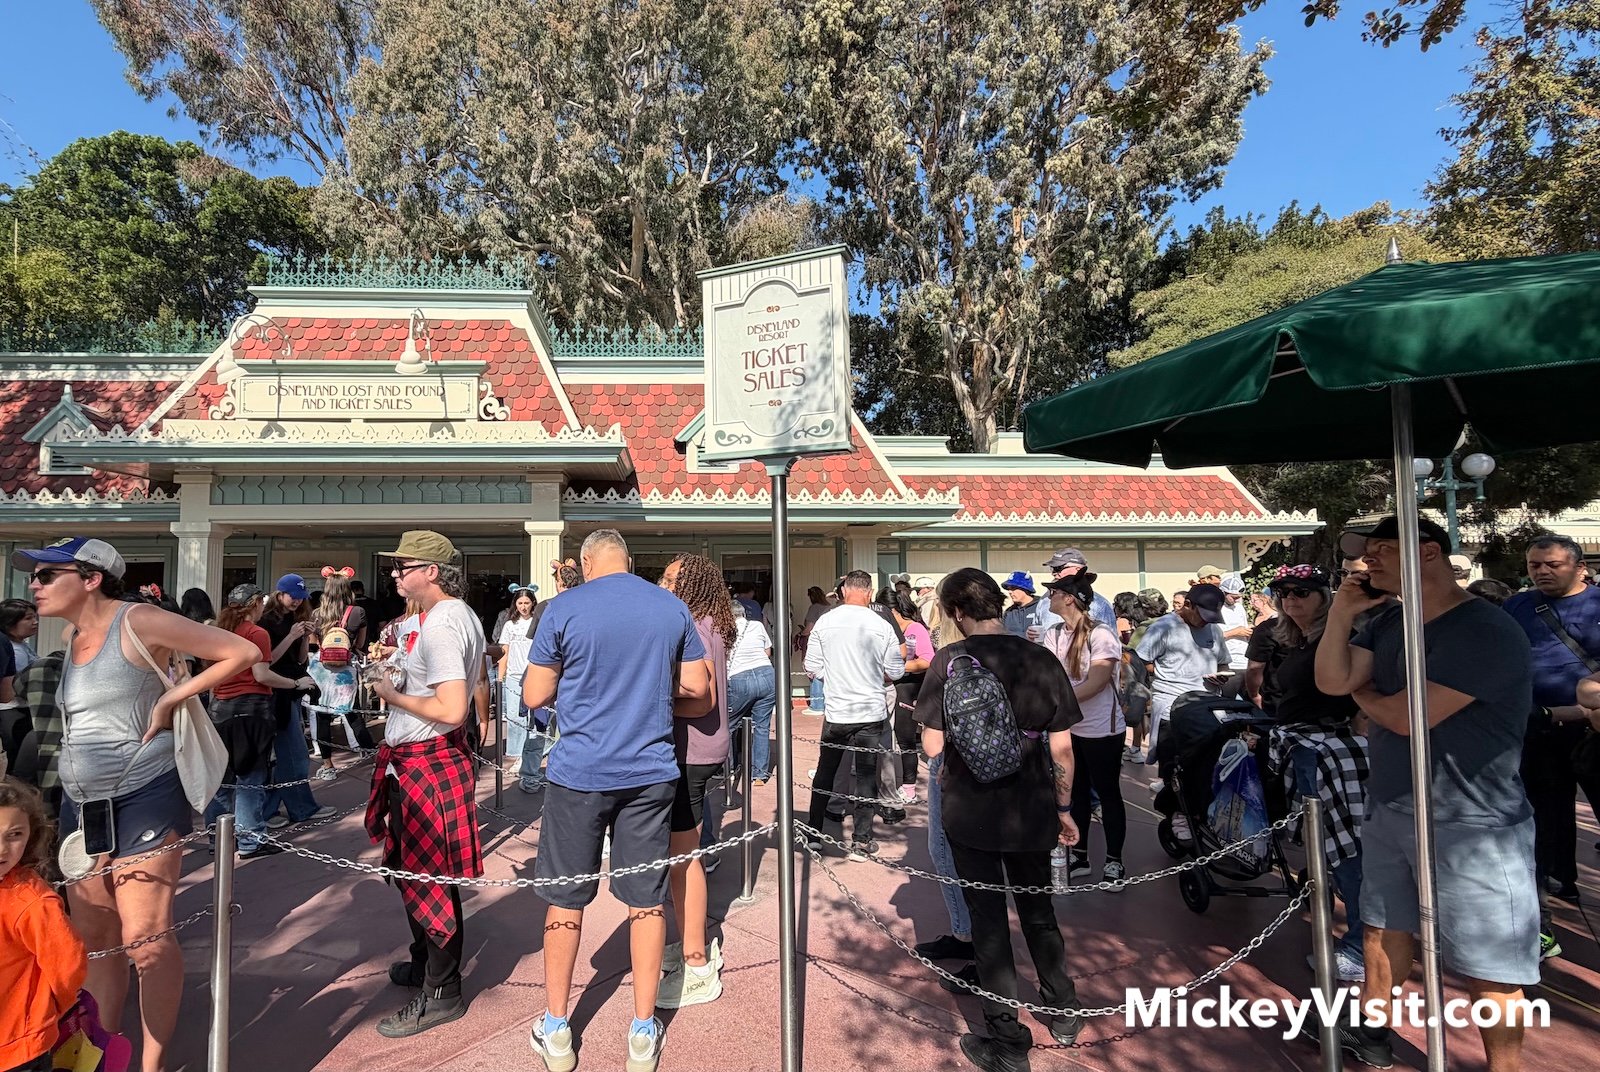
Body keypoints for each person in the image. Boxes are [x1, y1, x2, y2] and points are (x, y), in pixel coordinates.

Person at [13, 537, 256, 1072]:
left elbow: (242, 652)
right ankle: (105, 1057)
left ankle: (152, 1063)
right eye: (35, 575)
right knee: (97, 940)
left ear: (91, 578)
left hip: (145, 791)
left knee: (145, 939)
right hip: (83, 802)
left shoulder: (139, 620)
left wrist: (173, 696)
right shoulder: (73, 635)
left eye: (48, 575)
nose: (35, 585)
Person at [1316, 516, 1539, 1071]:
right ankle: (1373, 1030)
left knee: (1491, 965)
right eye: (1367, 552)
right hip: (1393, 804)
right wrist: (1341, 614)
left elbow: (1405, 716)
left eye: (1383, 549)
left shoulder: (1483, 630)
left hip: (1471, 819)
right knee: (1381, 929)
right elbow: (1331, 680)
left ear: (1429, 553)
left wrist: (1363, 694)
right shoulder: (1388, 622)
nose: (1369, 561)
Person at [521, 529, 712, 1072]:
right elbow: (698, 691)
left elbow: (535, 694)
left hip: (579, 772)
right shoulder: (670, 607)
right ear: (628, 561)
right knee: (645, 899)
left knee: (565, 898)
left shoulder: (563, 608)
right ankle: (642, 1029)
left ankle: (557, 1027)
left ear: (585, 563)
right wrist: (648, 693)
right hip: (651, 771)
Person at [914, 568, 1085, 1069]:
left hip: (971, 807)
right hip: (1032, 806)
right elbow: (1063, 749)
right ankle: (1063, 1008)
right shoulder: (1040, 657)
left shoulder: (950, 661)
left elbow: (932, 746)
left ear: (956, 611)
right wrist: (1064, 809)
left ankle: (1007, 1039)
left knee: (988, 921)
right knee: (1038, 911)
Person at [365, 531, 486, 1039]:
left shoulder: (443, 623)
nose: (394, 574)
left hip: (426, 764)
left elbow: (452, 708)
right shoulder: (445, 618)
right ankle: (425, 966)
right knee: (419, 874)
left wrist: (391, 694)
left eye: (403, 566)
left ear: (432, 571)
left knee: (429, 878)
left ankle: (442, 992)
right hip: (421, 762)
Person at [1257, 565, 1368, 983]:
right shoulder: (1300, 639)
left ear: (1324, 596)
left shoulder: (1340, 636)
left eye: (1302, 591)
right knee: (1327, 853)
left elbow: (1361, 690)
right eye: (1284, 591)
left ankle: (1360, 947)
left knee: (1348, 852)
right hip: (1305, 749)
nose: (1291, 598)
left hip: (1334, 753)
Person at [1503, 535, 1600, 913]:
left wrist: (1582, 710)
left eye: (1553, 565)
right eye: (1535, 565)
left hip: (1593, 728)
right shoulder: (1517, 606)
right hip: (1539, 727)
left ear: (1580, 568)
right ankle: (1559, 881)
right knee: (1546, 810)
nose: (1542, 571)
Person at [656, 552, 732, 1008]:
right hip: (703, 749)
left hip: (692, 751)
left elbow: (702, 699)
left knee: (683, 857)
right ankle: (689, 940)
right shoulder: (710, 622)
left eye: (670, 580)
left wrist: (653, 696)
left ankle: (697, 960)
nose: (663, 586)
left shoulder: (696, 627)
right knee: (682, 854)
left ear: (690, 586)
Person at [203, 584, 318, 859]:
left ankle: (218, 838)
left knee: (222, 778)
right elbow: (262, 674)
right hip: (250, 709)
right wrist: (295, 683)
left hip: (220, 708)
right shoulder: (257, 633)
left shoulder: (218, 632)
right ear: (255, 604)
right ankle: (250, 840)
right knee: (251, 778)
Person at [803, 570, 905, 858]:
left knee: (826, 772)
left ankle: (814, 832)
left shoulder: (826, 621)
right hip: (870, 710)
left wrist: (836, 677)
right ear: (869, 593)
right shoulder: (881, 623)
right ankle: (861, 839)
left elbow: (812, 666)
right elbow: (896, 670)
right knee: (865, 776)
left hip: (838, 710)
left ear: (844, 591)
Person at [1041, 573, 1126, 886]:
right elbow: (1050, 676)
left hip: (1102, 727)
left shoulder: (1101, 634)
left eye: (1053, 592)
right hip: (1069, 727)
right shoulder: (1053, 633)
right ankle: (1080, 854)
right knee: (1075, 792)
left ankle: (1114, 861)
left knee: (1107, 792)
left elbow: (1097, 682)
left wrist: (1057, 703)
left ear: (1069, 598)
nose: (1048, 597)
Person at [0, 777, 88, 1072]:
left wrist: (46, 1009)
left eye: (14, 834)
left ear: (31, 835)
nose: (2, 849)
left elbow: (68, 964)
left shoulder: (31, 901)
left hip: (19, 1046)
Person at [258, 575, 333, 829]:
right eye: (293, 596)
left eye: (301, 598)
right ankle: (296, 808)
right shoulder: (266, 623)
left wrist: (304, 637)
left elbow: (300, 660)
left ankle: (273, 809)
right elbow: (267, 661)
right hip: (275, 692)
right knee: (292, 754)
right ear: (279, 594)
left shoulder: (294, 619)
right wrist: (291, 636)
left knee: (288, 754)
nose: (297, 602)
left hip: (292, 689)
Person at [1134, 582, 1230, 763]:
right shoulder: (1163, 627)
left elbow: (1223, 663)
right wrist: (1165, 673)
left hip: (1208, 704)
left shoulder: (1214, 629)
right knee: (1173, 763)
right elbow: (1142, 660)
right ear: (1187, 605)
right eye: (1203, 616)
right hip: (1172, 705)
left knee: (1207, 761)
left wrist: (1223, 675)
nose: (1206, 621)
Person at [518, 562, 582, 794]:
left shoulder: (546, 606)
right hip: (573, 678)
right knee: (566, 731)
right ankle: (565, 778)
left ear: (558, 582)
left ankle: (530, 777)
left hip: (546, 675)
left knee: (537, 731)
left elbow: (536, 643)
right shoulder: (584, 605)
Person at [890, 592, 933, 804]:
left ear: (894, 610)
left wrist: (896, 668)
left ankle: (909, 788)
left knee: (905, 738)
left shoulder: (915, 629)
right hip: (888, 686)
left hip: (909, 687)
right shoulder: (887, 629)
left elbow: (927, 660)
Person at [495, 585, 538, 775]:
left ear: (532, 603)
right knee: (514, 716)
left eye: (527, 602)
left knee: (532, 718)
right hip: (513, 675)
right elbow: (504, 652)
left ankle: (528, 756)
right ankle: (517, 753)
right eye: (520, 603)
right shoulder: (509, 625)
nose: (523, 606)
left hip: (532, 675)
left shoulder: (537, 623)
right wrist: (500, 676)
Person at [1042, 548, 1115, 628]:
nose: (1054, 573)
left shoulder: (1100, 605)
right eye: (1052, 568)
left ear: (1078, 569)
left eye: (1058, 568)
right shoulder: (1044, 601)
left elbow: (1108, 634)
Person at [799, 586, 831, 713]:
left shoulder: (814, 608)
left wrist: (800, 634)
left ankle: (817, 705)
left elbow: (809, 629)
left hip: (815, 642)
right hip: (828, 642)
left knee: (813, 670)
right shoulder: (829, 607)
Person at [999, 572, 1055, 639]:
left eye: (1013, 588)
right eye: (1009, 589)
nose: (1010, 592)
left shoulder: (1042, 606)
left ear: (1025, 589)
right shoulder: (1009, 612)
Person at [2, 599, 39, 675]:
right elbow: (20, 680)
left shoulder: (21, 643)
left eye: (35, 617)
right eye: (28, 618)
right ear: (10, 623)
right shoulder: (16, 652)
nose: (35, 622)